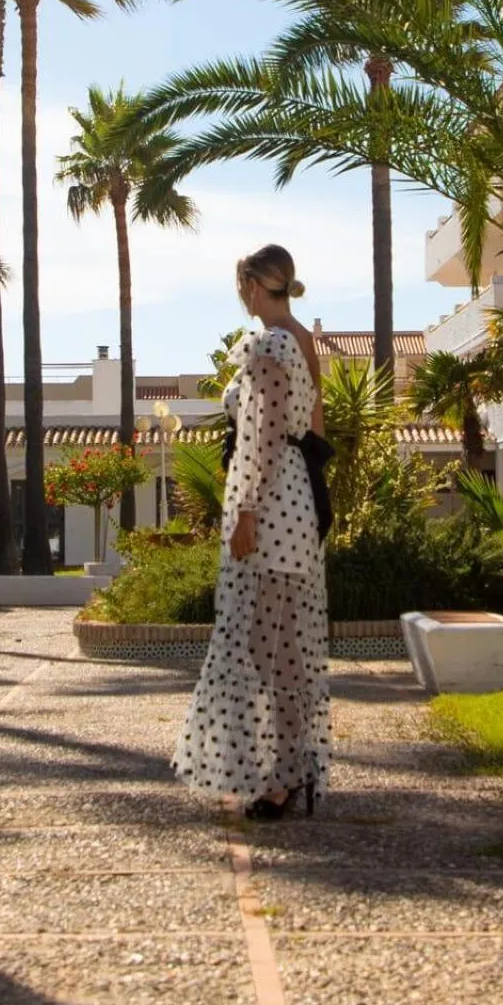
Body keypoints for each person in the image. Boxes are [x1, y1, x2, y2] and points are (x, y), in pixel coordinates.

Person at [172, 244, 331, 818]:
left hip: (268, 509)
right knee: (286, 647)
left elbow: (261, 437)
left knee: (256, 649)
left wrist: (247, 511)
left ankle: (279, 775)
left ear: (252, 284)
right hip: (296, 501)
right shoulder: (301, 338)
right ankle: (291, 770)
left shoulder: (267, 344)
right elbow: (314, 429)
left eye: (241, 286)